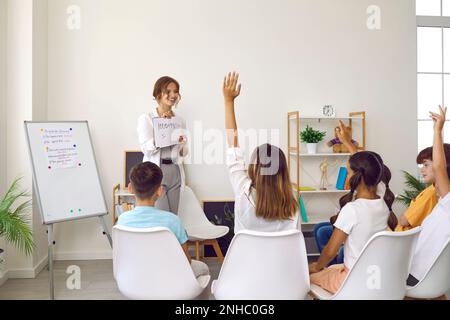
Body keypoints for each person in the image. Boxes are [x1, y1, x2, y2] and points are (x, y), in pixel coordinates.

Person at [223, 72, 300, 233]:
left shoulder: (243, 190)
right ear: (283, 171)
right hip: (280, 259)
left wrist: (228, 101)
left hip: (246, 259)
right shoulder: (292, 206)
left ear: (254, 168)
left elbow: (233, 146)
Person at [309, 151, 392, 294]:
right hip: (374, 277)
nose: (346, 177)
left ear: (357, 177)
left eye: (348, 173)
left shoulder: (352, 210)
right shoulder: (383, 205)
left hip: (352, 280)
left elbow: (330, 251)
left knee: (309, 277)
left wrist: (316, 267)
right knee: (331, 269)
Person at [117, 161, 209, 278]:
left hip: (135, 277)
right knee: (203, 268)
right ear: (160, 191)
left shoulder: (122, 220)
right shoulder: (172, 221)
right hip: (167, 276)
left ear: (130, 188)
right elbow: (186, 261)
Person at [407, 105, 450, 288]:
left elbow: (440, 166)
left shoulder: (448, 203)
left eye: (426, 164)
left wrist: (437, 130)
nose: (423, 169)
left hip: (415, 277)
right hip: (422, 276)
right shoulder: (442, 203)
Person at [137, 76, 188, 214]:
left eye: (176, 91)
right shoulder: (147, 118)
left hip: (175, 171)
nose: (173, 95)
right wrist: (163, 128)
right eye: (168, 91)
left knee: (173, 217)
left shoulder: (180, 121)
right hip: (157, 171)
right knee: (162, 217)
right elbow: (145, 149)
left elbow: (183, 153)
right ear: (158, 93)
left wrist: (183, 143)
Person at [395, 144, 450, 231]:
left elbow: (404, 221)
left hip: (402, 240)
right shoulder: (439, 192)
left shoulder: (431, 193)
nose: (422, 170)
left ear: (440, 165)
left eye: (426, 165)